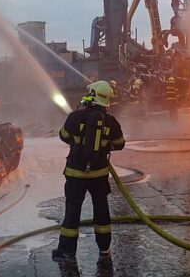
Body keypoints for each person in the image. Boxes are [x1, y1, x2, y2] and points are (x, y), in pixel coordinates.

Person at [52, 80, 126, 261]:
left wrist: (79, 142)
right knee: (101, 210)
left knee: (72, 211)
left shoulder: (75, 117)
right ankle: (104, 248)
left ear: (91, 95)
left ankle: (67, 251)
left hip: (75, 174)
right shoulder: (111, 121)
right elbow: (120, 144)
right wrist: (103, 145)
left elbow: (64, 136)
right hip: (99, 175)